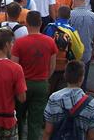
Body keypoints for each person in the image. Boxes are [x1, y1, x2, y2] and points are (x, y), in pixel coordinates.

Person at [11, 11, 58, 140]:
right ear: (41, 23)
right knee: (35, 121)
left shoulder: (19, 43)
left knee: (19, 117)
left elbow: (14, 66)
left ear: (26, 23)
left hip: (23, 84)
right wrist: (45, 78)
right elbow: (52, 66)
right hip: (41, 84)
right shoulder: (50, 42)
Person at [43, 60, 94, 140]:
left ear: (65, 76)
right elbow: (91, 136)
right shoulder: (91, 103)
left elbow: (48, 131)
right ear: (81, 78)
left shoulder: (54, 98)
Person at [69, 0, 94, 91]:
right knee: (83, 77)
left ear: (74, 2)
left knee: (70, 77)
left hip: (72, 53)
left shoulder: (70, 14)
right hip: (86, 52)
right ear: (84, 3)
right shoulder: (93, 16)